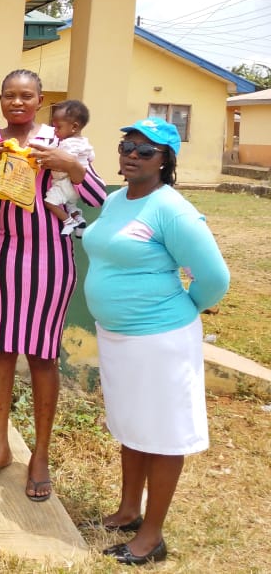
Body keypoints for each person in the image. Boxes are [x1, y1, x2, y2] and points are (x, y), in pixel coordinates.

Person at [82, 118, 229, 566]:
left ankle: (152, 535)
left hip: (161, 338)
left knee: (163, 434)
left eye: (146, 150)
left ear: (166, 160)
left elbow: (215, 279)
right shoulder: (114, 200)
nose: (132, 154)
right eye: (127, 145)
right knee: (131, 425)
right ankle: (129, 509)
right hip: (118, 336)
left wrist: (180, 310)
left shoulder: (172, 209)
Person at [0, 69, 106, 501]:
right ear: (0, 99)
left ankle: (40, 455)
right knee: (1, 350)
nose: (17, 103)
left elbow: (100, 198)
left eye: (26, 96)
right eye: (9, 95)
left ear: (40, 100)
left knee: (43, 355)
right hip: (2, 258)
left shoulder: (61, 140)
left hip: (49, 259)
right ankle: (0, 446)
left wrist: (72, 166)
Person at [43, 100, 94, 236]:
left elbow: (61, 161)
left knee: (49, 203)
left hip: (65, 183)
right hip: (76, 187)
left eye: (58, 127)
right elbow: (91, 157)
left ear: (74, 127)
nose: (55, 130)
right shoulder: (84, 142)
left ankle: (69, 222)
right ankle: (80, 221)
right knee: (70, 205)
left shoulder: (68, 144)